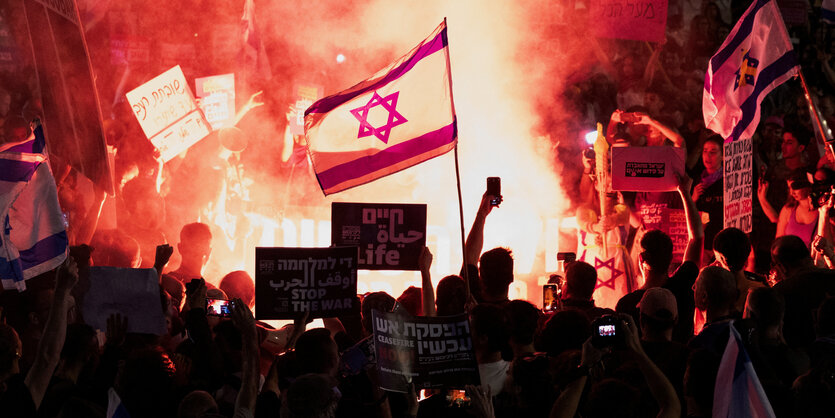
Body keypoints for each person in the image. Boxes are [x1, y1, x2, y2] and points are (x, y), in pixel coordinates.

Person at [616, 172, 703, 344]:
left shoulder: (627, 305)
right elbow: (697, 238)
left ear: (641, 259)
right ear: (671, 258)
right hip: (678, 368)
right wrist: (685, 192)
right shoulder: (683, 285)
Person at [690, 135, 724, 255]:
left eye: (713, 152)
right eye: (705, 151)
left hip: (723, 242)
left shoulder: (728, 181)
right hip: (703, 243)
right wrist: (693, 198)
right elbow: (688, 214)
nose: (708, 156)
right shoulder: (696, 181)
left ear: (723, 156)